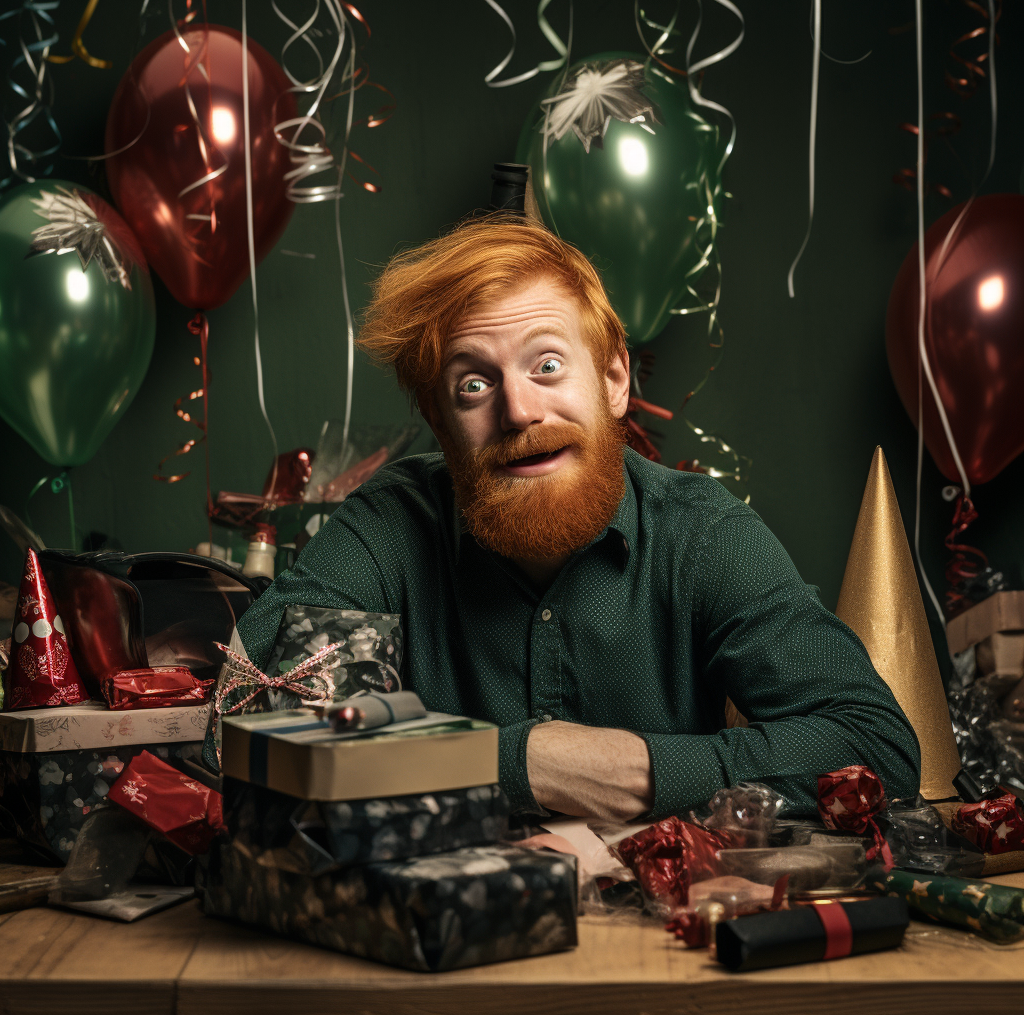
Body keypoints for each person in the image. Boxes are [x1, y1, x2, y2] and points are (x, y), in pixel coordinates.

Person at [236, 215, 920, 822]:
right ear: (440, 426)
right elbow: (243, 724)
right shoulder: (388, 529)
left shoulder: (703, 535)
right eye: (473, 384)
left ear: (614, 381)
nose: (520, 411)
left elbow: (876, 746)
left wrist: (640, 771)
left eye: (548, 364)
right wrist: (519, 762)